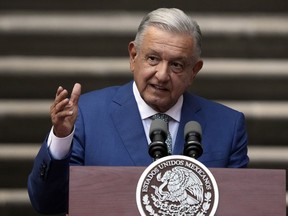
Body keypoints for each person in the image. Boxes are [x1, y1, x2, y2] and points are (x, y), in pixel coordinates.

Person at [28, 8, 249, 214]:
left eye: (177, 65)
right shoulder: (87, 115)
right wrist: (61, 139)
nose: (162, 74)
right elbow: (47, 203)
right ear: (133, 56)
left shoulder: (227, 126)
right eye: (153, 59)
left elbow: (241, 207)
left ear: (194, 71)